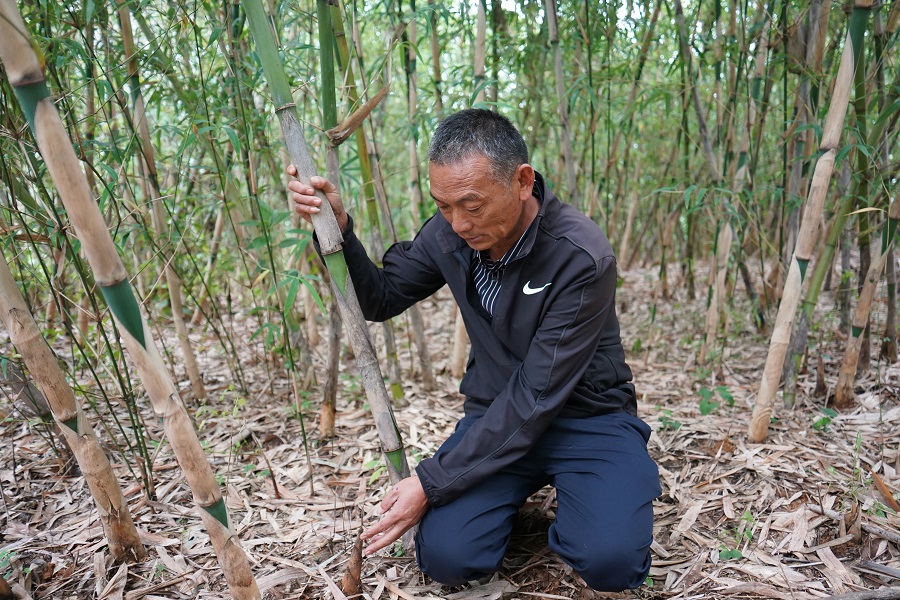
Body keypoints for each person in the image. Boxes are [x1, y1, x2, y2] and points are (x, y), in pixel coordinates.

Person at [288, 108, 661, 591]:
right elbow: (380, 297)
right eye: (444, 206)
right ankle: (511, 504)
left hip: (586, 418)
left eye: (472, 206)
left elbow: (537, 395)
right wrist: (337, 228)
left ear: (522, 181)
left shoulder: (580, 255)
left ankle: (584, 506)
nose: (459, 223)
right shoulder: (450, 232)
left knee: (610, 560)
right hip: (495, 414)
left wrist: (430, 482)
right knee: (447, 557)